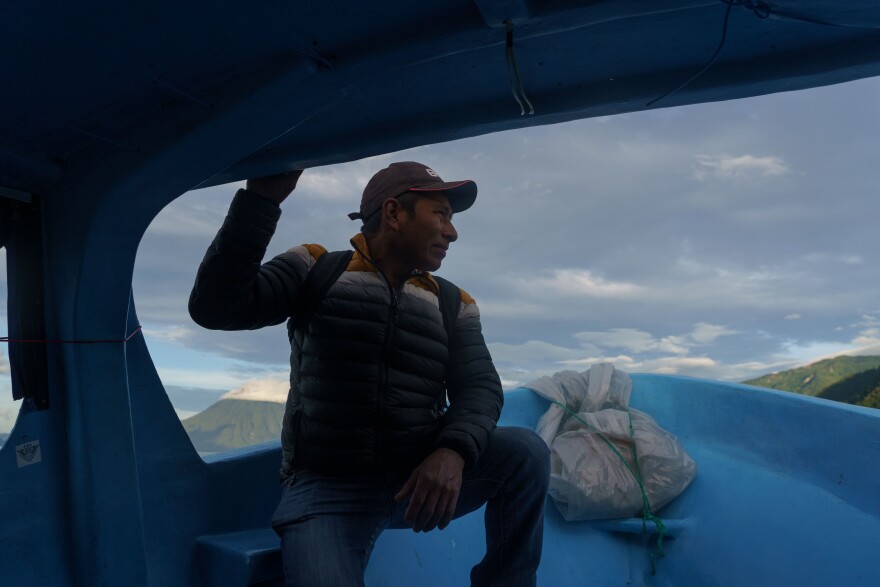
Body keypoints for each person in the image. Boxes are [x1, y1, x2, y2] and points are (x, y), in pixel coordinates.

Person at [189, 161, 550, 586]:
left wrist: (453, 450)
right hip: (326, 490)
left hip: (415, 482)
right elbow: (217, 306)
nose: (452, 232)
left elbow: (480, 389)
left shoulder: (454, 303)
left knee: (526, 453)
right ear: (395, 214)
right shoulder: (316, 269)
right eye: (441, 215)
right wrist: (261, 201)